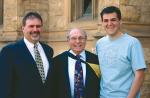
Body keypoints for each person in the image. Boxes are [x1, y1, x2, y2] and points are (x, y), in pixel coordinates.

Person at [0, 12, 54, 98]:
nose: (35, 29)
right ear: (23, 28)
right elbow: (4, 87)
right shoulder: (9, 52)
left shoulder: (48, 50)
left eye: (38, 26)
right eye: (31, 26)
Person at [96, 6, 146, 98]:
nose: (109, 23)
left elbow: (140, 75)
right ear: (102, 23)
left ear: (120, 21)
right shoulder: (99, 44)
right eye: (106, 20)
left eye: (113, 20)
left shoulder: (132, 43)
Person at [53, 28, 100, 98]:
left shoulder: (95, 60)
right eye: (73, 38)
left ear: (86, 39)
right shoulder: (57, 61)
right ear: (68, 40)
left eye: (81, 38)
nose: (78, 41)